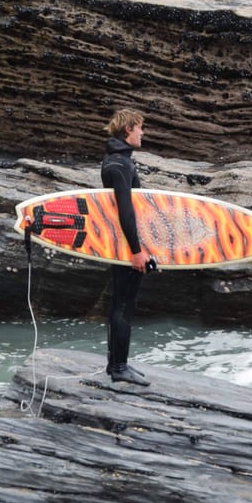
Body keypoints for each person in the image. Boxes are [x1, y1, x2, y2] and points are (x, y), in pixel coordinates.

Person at [100, 108, 151, 386]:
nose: (143, 133)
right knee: (123, 305)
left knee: (119, 302)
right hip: (124, 245)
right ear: (128, 129)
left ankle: (115, 364)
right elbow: (125, 211)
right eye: (140, 128)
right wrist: (136, 250)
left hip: (119, 242)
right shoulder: (120, 164)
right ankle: (119, 367)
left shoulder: (115, 160)